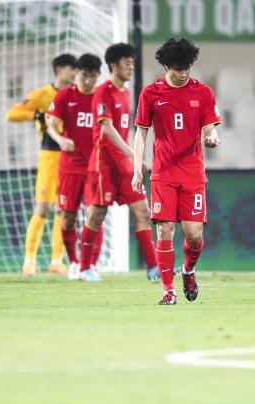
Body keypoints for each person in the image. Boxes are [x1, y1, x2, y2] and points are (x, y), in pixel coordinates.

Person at [132, 38, 221, 305]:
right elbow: (141, 133)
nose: (183, 73)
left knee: (194, 235)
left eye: (187, 68)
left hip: (192, 174)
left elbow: (209, 125)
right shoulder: (151, 93)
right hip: (163, 173)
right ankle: (168, 291)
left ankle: (188, 270)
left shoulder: (203, 92)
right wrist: (137, 170)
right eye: (177, 69)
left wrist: (212, 135)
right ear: (166, 67)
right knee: (165, 230)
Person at [79, 43, 158, 282]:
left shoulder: (125, 92)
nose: (131, 67)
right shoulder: (103, 92)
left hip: (123, 165)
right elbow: (107, 128)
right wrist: (132, 153)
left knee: (143, 212)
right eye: (127, 63)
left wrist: (130, 157)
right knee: (97, 214)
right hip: (103, 163)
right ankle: (84, 268)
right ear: (114, 65)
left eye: (132, 63)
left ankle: (154, 268)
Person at [7, 54, 77, 276]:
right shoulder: (43, 94)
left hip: (70, 157)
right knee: (43, 207)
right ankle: (29, 260)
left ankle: (56, 261)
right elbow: (12, 114)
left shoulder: (76, 94)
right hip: (49, 154)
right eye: (71, 69)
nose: (74, 73)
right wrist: (37, 114)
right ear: (59, 69)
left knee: (63, 209)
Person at [45, 53, 102, 280]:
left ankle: (91, 265)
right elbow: (50, 124)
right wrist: (60, 139)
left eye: (92, 76)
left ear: (98, 75)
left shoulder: (102, 97)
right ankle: (75, 263)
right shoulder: (64, 96)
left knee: (94, 214)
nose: (87, 80)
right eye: (83, 75)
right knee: (67, 217)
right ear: (77, 73)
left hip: (95, 167)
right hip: (70, 167)